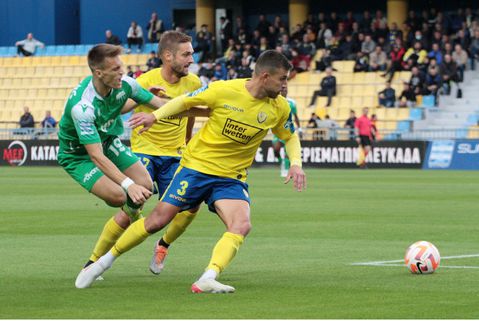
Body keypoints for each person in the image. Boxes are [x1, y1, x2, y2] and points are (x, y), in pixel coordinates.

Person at [75, 50, 307, 293]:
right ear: (265, 76)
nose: (284, 85)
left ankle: (208, 276)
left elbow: (289, 136)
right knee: (156, 221)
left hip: (231, 177)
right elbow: (184, 102)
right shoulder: (223, 89)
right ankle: (102, 262)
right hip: (196, 168)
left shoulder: (280, 107)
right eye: (282, 79)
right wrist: (154, 116)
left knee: (241, 225)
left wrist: (296, 163)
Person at [58, 44, 173, 279]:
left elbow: (160, 105)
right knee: (121, 196)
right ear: (99, 73)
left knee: (147, 185)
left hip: (107, 141)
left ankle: (105, 251)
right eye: (115, 69)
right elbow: (95, 156)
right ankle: (129, 225)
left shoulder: (126, 84)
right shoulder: (82, 106)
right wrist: (128, 184)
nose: (123, 72)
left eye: (122, 66)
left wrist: (199, 105)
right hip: (78, 155)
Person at [130, 31, 204, 275]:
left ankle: (163, 245)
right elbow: (119, 108)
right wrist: (144, 95)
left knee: (191, 206)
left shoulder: (193, 83)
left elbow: (191, 113)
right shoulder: (143, 80)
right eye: (186, 54)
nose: (192, 59)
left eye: (192, 53)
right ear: (167, 56)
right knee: (134, 201)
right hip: (144, 149)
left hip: (174, 153)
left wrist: (188, 141)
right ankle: (96, 261)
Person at [272, 86, 301, 177]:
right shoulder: (275, 101)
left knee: (287, 152)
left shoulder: (292, 102)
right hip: (277, 130)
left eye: (286, 89)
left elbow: (295, 116)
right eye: (283, 89)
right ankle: (281, 161)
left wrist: (299, 127)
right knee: (276, 150)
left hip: (287, 129)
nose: (284, 90)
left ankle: (286, 168)